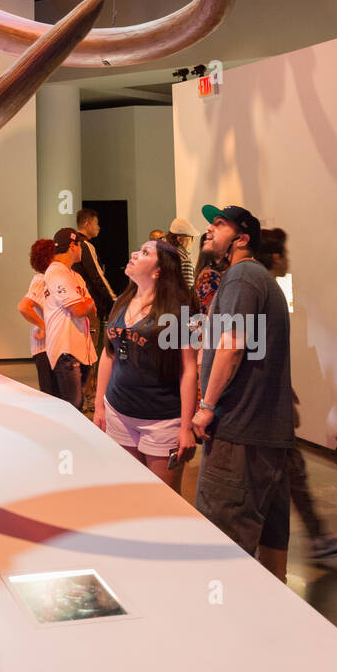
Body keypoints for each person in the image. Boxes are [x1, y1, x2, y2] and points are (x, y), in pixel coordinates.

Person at [192, 204, 294, 582]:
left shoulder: (241, 278)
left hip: (239, 434)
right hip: (263, 435)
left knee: (222, 551)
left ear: (242, 238)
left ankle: (225, 630)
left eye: (219, 224)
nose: (209, 229)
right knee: (271, 548)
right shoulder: (255, 279)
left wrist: (205, 407)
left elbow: (232, 346)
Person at [258, 228, 337, 560]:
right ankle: (314, 538)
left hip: (268, 403)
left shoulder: (263, 289)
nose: (289, 260)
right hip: (265, 408)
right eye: (286, 253)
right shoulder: (265, 290)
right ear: (277, 256)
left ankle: (315, 537)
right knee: (286, 470)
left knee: (289, 471)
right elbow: (258, 352)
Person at [94, 239, 197, 492]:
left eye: (145, 252)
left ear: (159, 270)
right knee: (129, 495)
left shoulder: (179, 310)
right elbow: (109, 355)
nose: (134, 254)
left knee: (164, 503)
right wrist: (99, 406)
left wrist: (186, 427)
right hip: (118, 413)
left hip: (162, 421)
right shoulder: (122, 301)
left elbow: (189, 370)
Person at [42, 228, 97, 409]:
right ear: (73, 246)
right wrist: (87, 303)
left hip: (78, 349)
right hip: (66, 351)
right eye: (80, 245)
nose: (81, 249)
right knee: (73, 406)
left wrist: (87, 304)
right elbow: (80, 309)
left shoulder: (75, 276)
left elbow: (92, 309)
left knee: (76, 404)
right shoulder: (57, 273)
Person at [17, 238, 57, 397]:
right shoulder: (41, 279)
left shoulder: (50, 278)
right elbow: (23, 307)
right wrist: (44, 326)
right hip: (44, 347)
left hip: (51, 346)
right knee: (51, 395)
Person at [75, 208, 116, 353]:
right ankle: (92, 376)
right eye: (96, 223)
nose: (98, 227)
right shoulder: (85, 246)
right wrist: (114, 301)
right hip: (89, 306)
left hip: (74, 305)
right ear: (87, 223)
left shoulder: (72, 244)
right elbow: (97, 277)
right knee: (91, 349)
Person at [166, 217, 196, 287]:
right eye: (191, 237)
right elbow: (188, 290)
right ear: (180, 239)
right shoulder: (184, 259)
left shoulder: (166, 254)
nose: (193, 241)